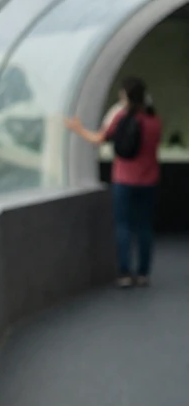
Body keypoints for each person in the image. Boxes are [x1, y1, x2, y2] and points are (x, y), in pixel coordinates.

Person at [65, 77, 162, 288]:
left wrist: (77, 129)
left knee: (123, 226)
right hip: (149, 181)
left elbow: (99, 139)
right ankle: (144, 273)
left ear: (125, 97)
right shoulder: (154, 121)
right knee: (144, 227)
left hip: (124, 180)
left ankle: (125, 273)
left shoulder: (121, 118)